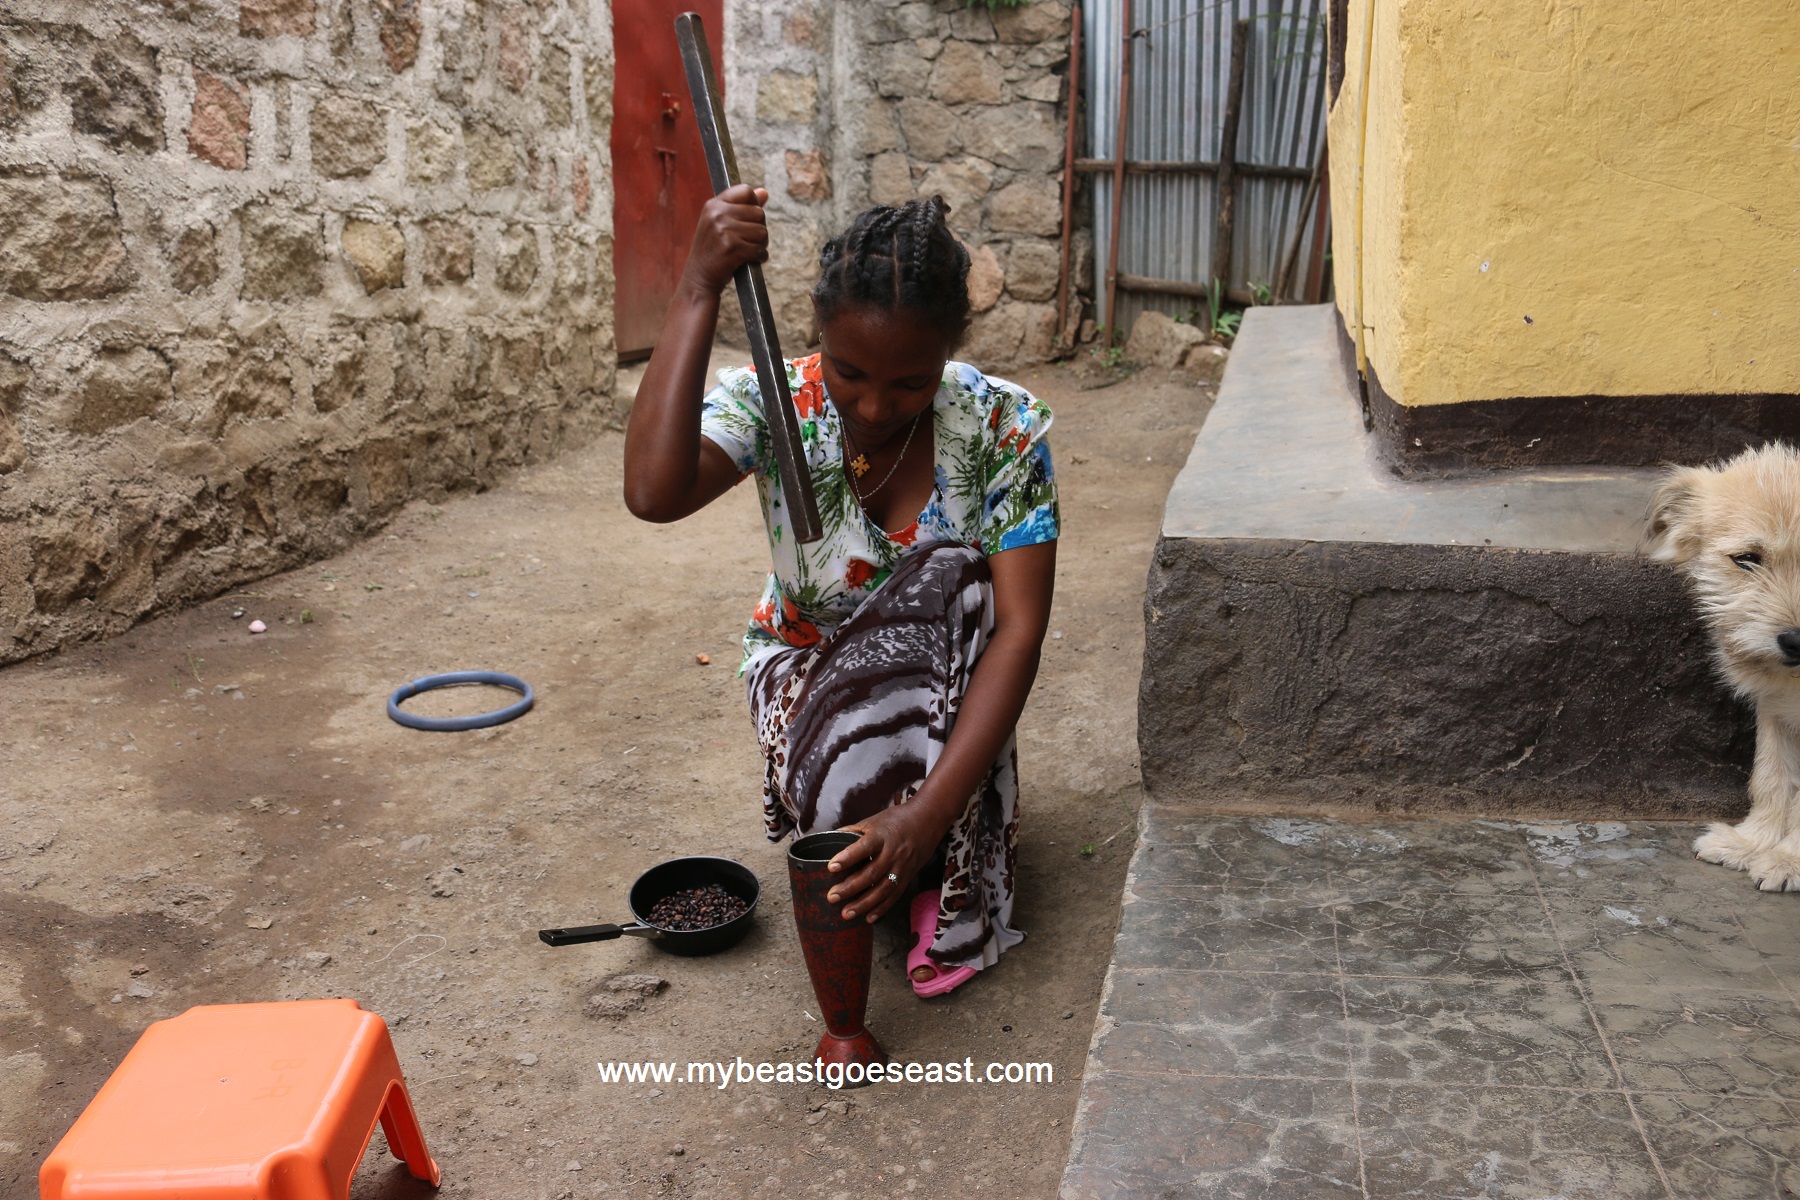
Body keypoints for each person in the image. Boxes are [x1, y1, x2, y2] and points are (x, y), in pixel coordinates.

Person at [623, 185, 1058, 997]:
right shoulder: (777, 404)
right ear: (820, 332)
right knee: (842, 822)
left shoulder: (1000, 426)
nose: (873, 405)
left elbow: (1019, 633)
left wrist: (924, 816)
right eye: (850, 371)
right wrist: (698, 286)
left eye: (911, 383)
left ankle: (934, 854)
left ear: (950, 353)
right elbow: (652, 493)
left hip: (941, 691)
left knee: (957, 577)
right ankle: (891, 831)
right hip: (804, 676)